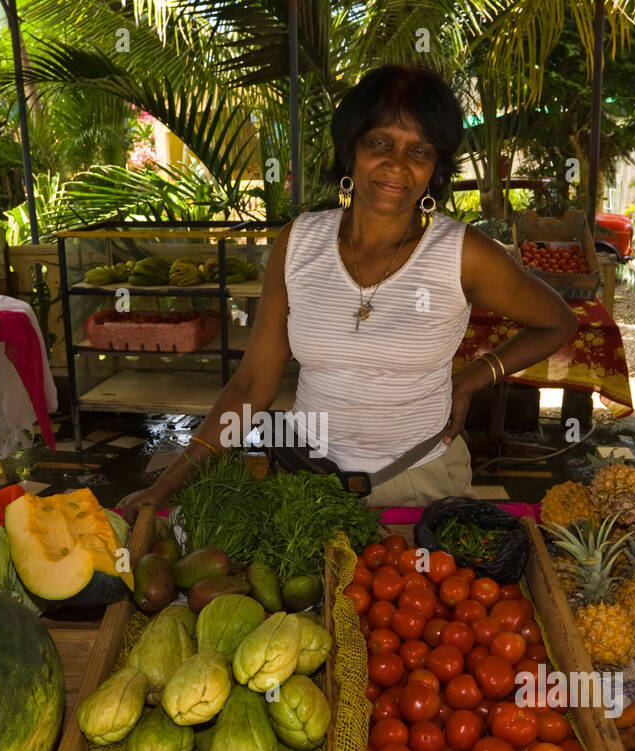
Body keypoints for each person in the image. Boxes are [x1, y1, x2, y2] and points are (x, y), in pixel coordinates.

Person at [118, 64, 577, 513]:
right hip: (307, 485)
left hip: (421, 483)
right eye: (380, 143)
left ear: (435, 167)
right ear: (351, 149)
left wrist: (473, 380)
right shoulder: (297, 244)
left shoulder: (462, 253)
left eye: (419, 151)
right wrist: (171, 480)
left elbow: (556, 322)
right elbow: (253, 384)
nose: (396, 165)